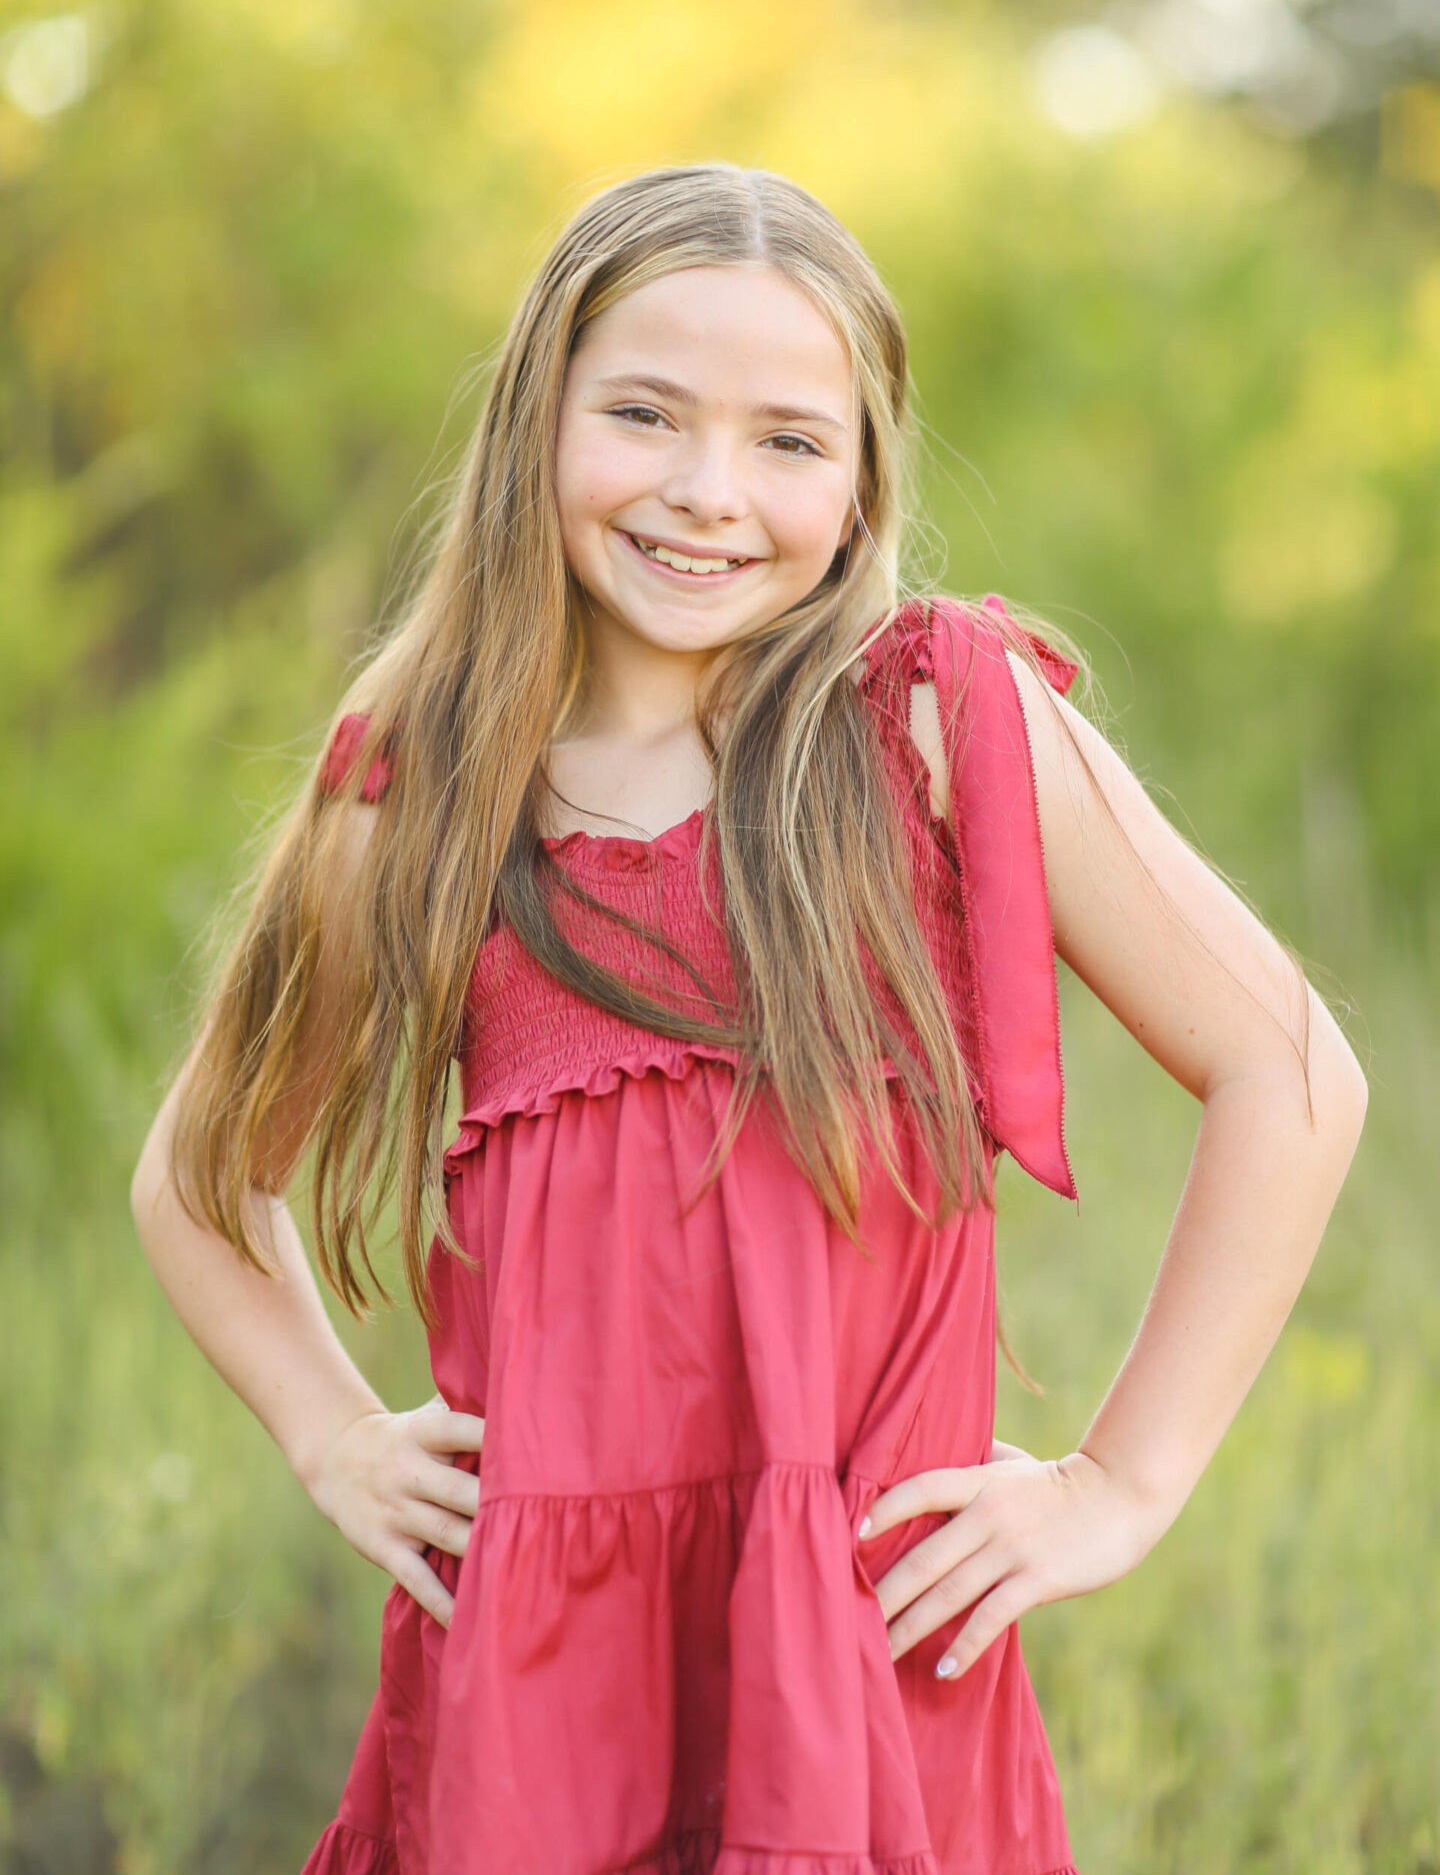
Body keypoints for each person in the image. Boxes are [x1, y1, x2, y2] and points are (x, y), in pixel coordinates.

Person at [131, 162, 1366, 1875]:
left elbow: (1290, 1076)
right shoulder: (427, 781)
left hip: (857, 1667)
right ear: (536, 417)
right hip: (535, 1697)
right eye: (645, 414)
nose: (709, 493)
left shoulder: (932, 723)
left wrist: (1120, 1484)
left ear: (860, 485)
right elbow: (201, 1179)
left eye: (789, 439)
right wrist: (333, 1434)